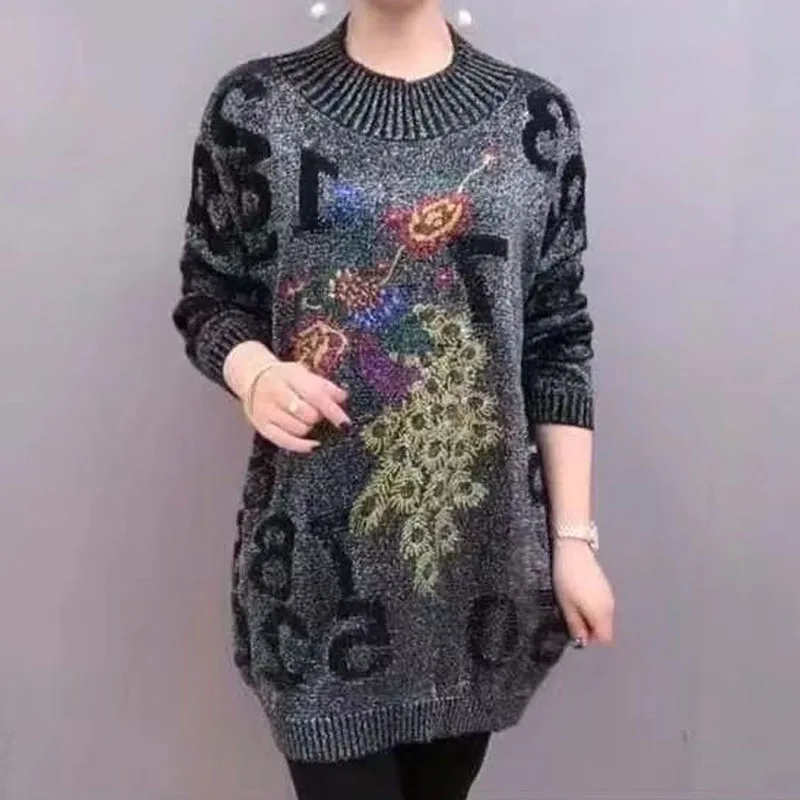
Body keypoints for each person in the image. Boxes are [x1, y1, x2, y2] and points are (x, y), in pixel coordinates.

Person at [172, 1, 615, 797]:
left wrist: (574, 543)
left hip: (477, 580)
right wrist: (255, 372)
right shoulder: (255, 110)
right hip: (314, 577)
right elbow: (209, 294)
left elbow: (557, 336)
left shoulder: (535, 123)